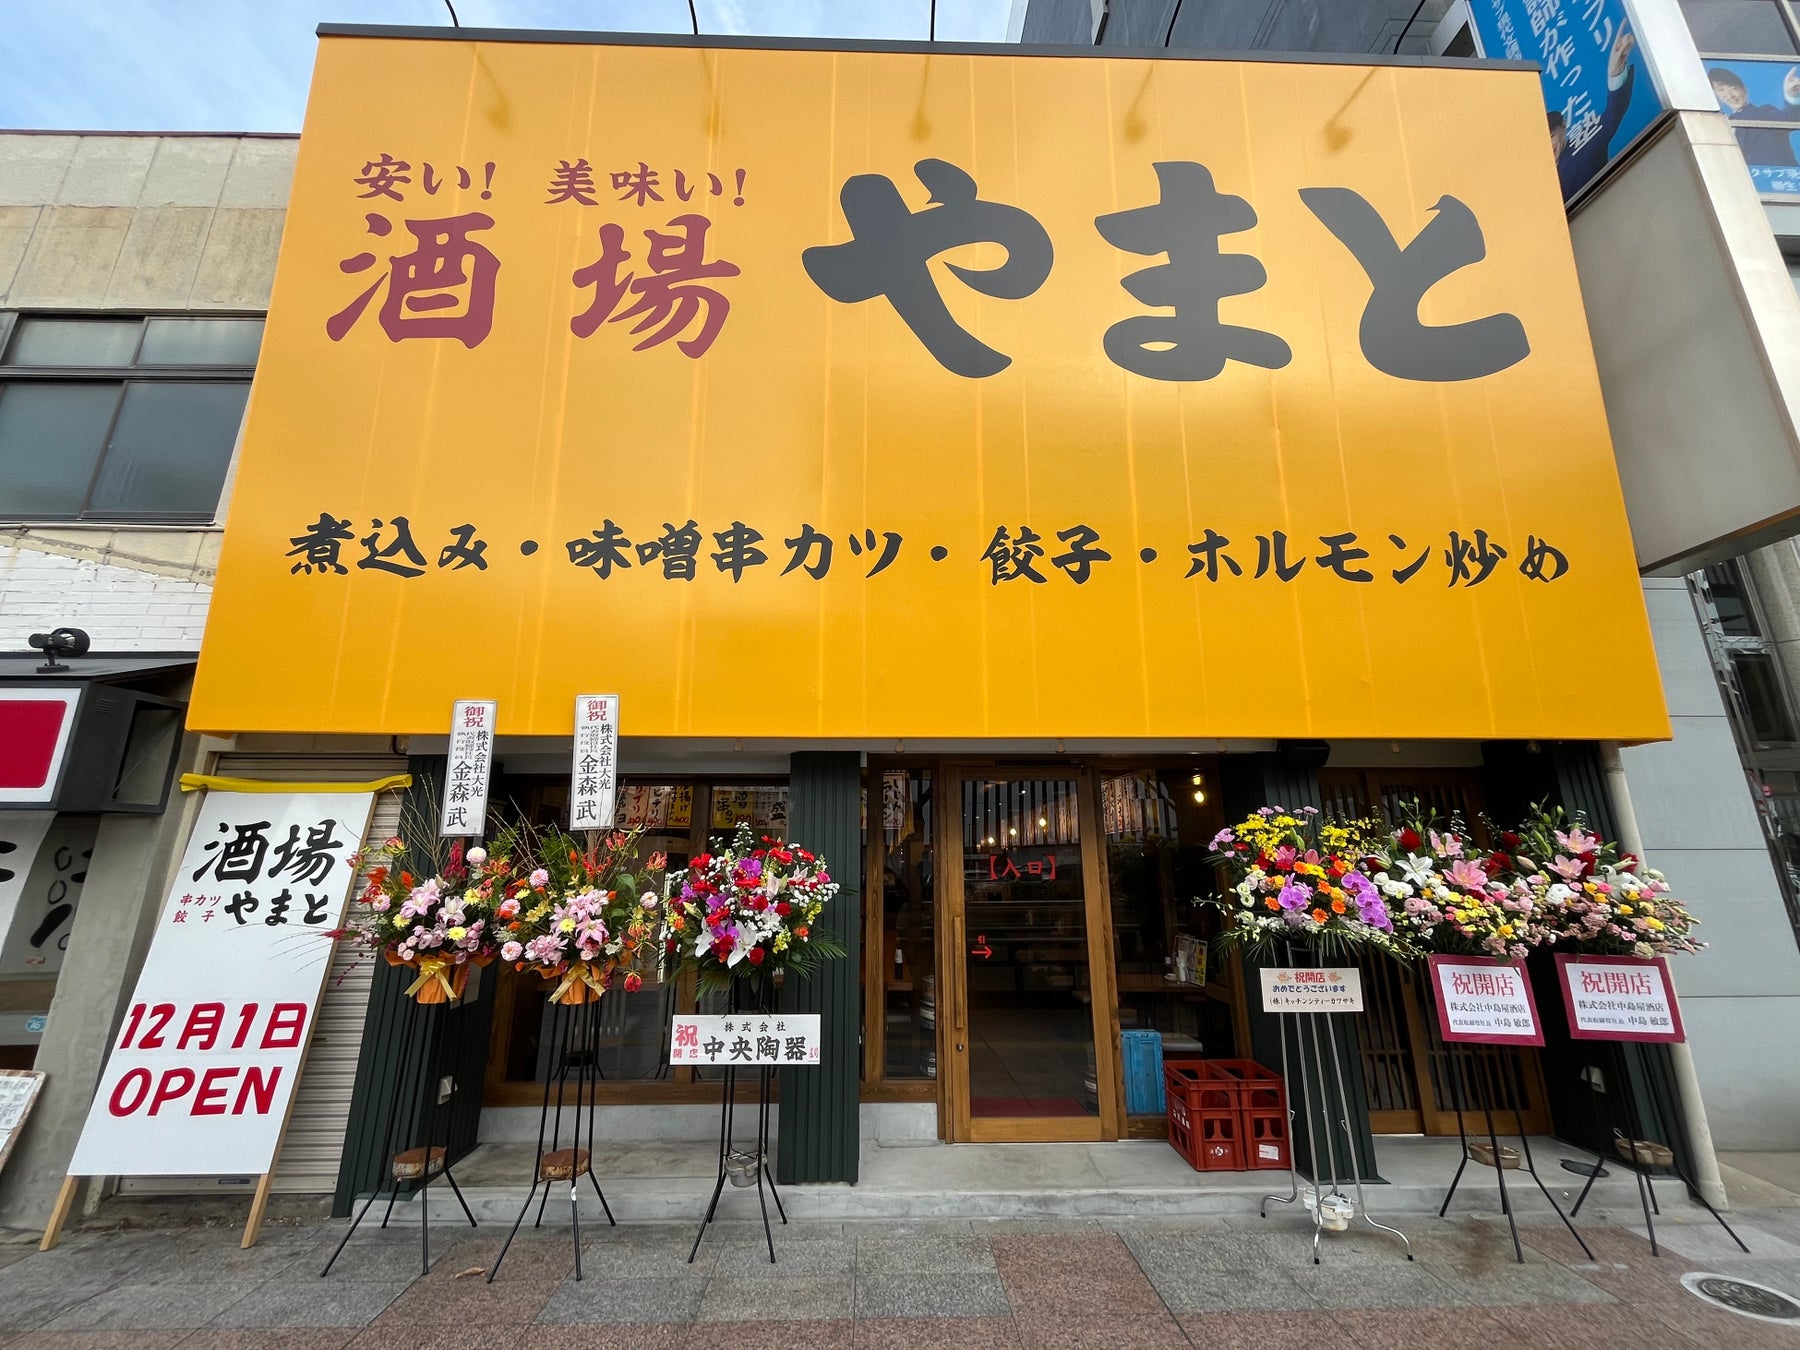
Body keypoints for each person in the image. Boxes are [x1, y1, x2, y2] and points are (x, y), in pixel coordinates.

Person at [1550, 27, 1639, 195]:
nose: (1549, 148)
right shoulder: (1533, 180)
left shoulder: (1583, 147)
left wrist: (1616, 74)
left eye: (1551, 137)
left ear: (1563, 125)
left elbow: (1611, 116)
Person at [1709, 65, 1800, 167]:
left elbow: (1789, 118)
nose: (1730, 95)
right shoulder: (1723, 126)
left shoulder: (1764, 113)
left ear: (1744, 90)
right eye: (1721, 90)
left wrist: (1793, 96)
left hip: (1773, 174)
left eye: (1733, 88)